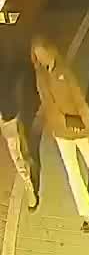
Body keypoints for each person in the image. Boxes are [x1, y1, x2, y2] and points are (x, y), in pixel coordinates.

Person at [29, 35, 89, 232]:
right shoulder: (40, 76)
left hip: (78, 127)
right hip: (60, 132)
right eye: (37, 55)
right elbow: (46, 104)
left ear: (50, 51)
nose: (41, 59)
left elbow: (80, 100)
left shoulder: (64, 71)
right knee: (73, 173)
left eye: (43, 54)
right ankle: (87, 214)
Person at [0, 49, 34, 209]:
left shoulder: (7, 69)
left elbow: (20, 68)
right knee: (19, 148)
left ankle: (29, 188)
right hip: (9, 117)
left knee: (17, 155)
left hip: (9, 118)